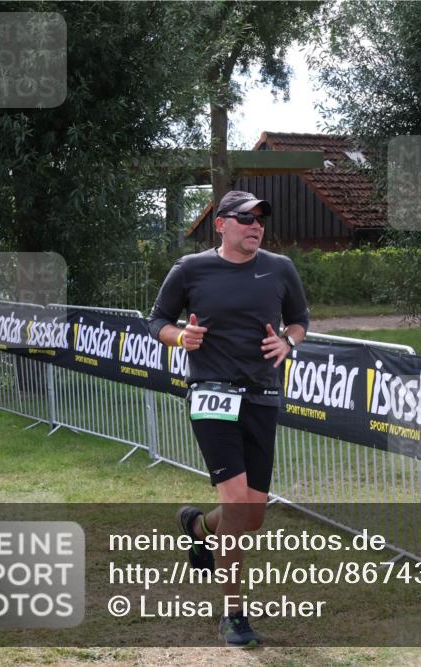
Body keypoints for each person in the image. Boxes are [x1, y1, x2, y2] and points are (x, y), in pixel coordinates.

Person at [148, 190, 309, 646]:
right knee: (237, 502)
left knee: (252, 515)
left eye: (261, 219)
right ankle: (233, 613)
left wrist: (289, 343)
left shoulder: (280, 269)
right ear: (221, 224)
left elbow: (299, 320)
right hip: (211, 394)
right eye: (245, 218)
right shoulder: (191, 269)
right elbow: (156, 320)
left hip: (261, 396)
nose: (256, 226)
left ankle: (197, 527)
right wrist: (181, 338)